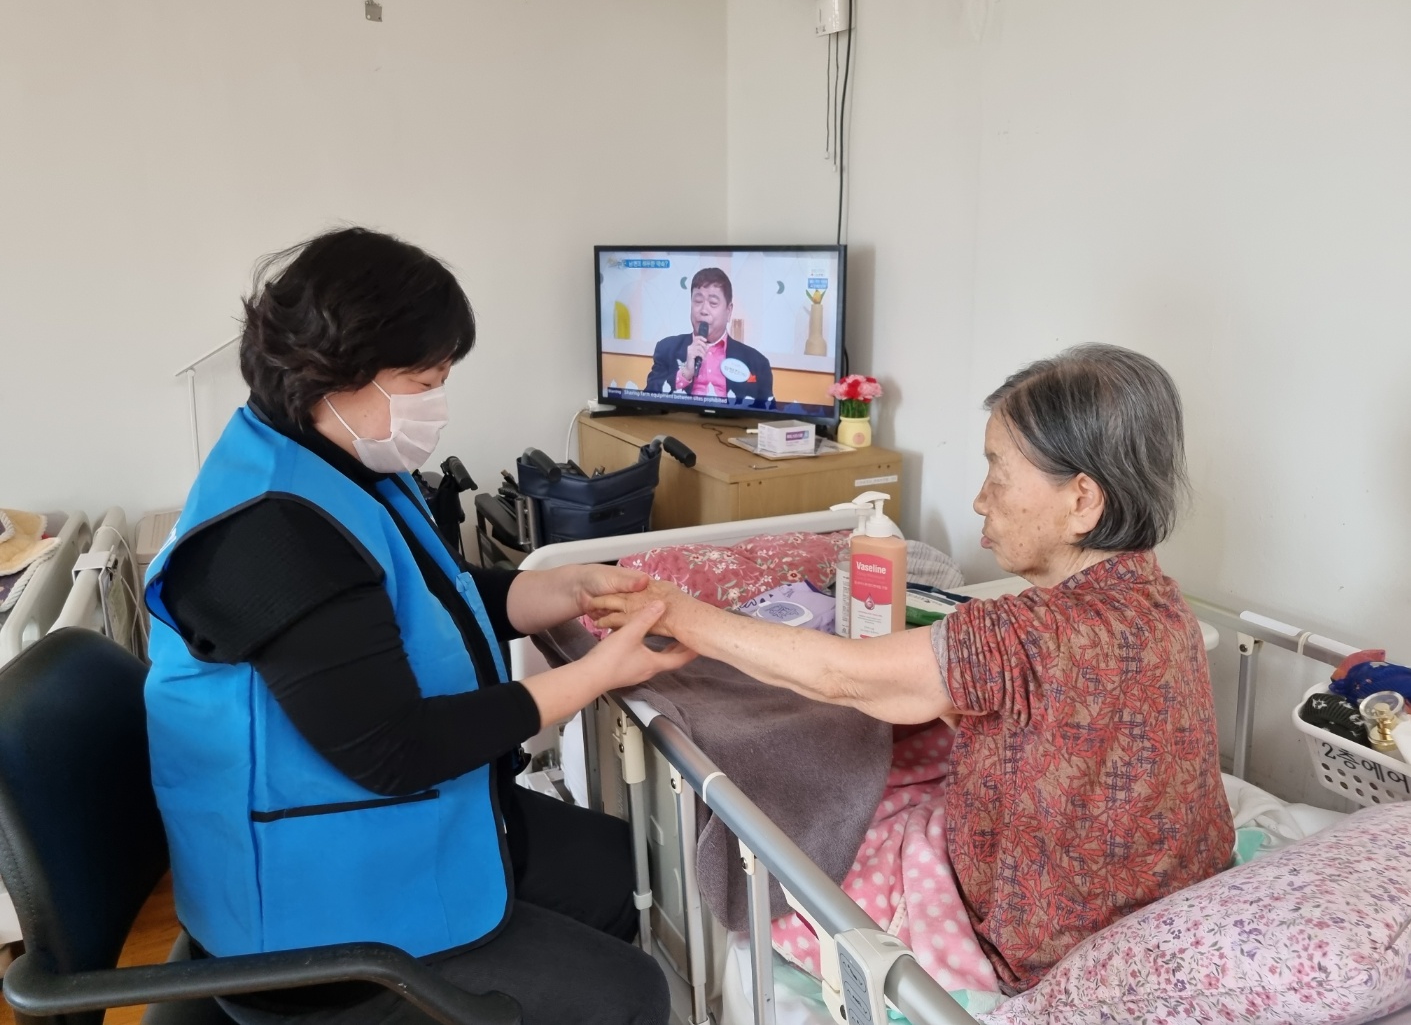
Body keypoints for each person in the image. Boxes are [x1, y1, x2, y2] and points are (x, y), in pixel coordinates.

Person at [143, 227, 694, 1025]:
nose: (436, 401)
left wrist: (564, 587)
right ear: (335, 372)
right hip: (318, 924)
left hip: (387, 823)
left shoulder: (336, 461)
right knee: (634, 995)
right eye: (424, 380)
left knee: (619, 867)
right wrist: (597, 674)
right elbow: (394, 752)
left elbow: (428, 601)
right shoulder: (272, 532)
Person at [593, 343, 1234, 994]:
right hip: (1170, 910)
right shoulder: (1162, 604)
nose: (980, 500)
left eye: (998, 473)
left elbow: (838, 674)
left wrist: (678, 612)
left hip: (1050, 949)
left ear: (1082, 501)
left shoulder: (1020, 633)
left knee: (797, 873)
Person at [644, 267, 774, 405]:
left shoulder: (757, 363)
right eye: (698, 301)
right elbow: (647, 401)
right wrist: (685, 374)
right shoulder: (667, 349)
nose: (703, 310)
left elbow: (766, 411)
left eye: (713, 303)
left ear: (728, 311)